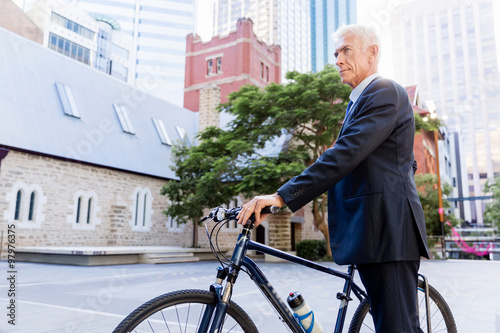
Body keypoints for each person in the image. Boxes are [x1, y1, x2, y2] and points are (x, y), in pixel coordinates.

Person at [237, 24, 430, 332]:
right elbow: (396, 160)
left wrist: (281, 196)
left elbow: (345, 154)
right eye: (336, 53)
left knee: (398, 328)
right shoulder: (360, 101)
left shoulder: (384, 91)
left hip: (388, 231)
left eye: (346, 51)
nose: (338, 60)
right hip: (371, 230)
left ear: (372, 53)